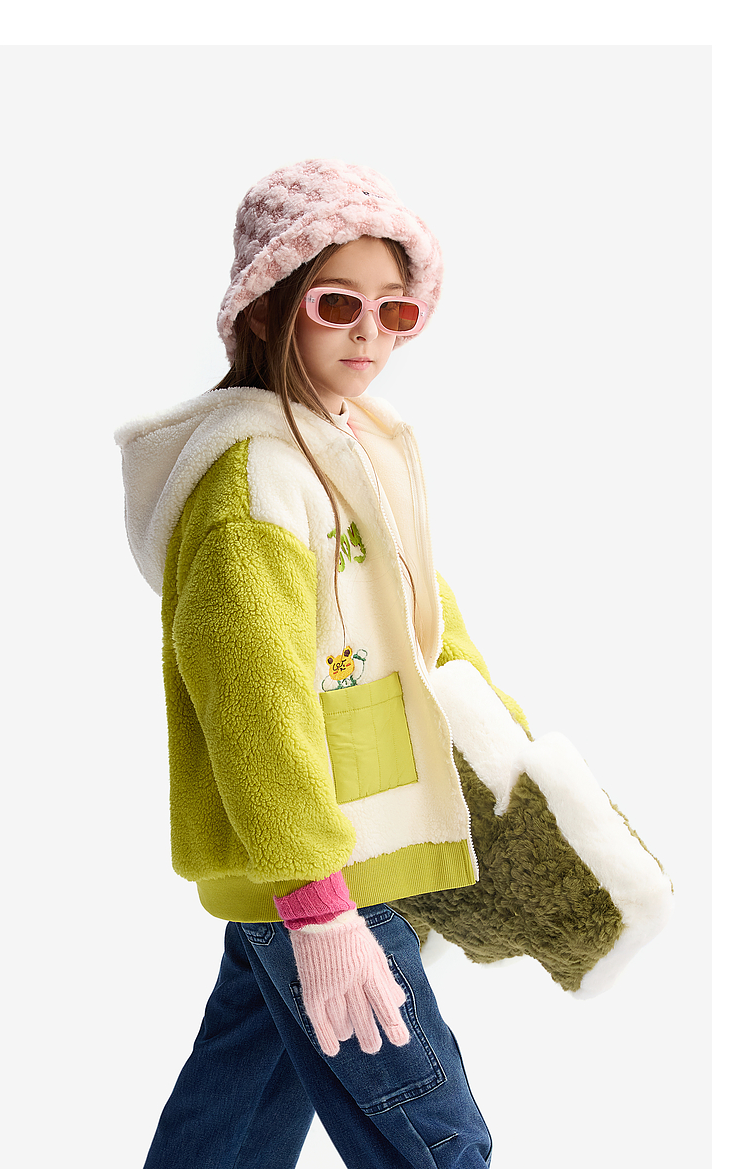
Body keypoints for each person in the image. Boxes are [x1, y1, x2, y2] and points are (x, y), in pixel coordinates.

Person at [115, 158, 670, 1168]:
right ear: (265, 309)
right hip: (324, 863)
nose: (369, 332)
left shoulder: (357, 445)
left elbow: (428, 623)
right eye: (337, 304)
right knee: (436, 1132)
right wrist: (319, 907)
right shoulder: (254, 487)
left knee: (236, 1111)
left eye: (396, 310)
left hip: (351, 841)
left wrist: (507, 757)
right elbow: (253, 707)